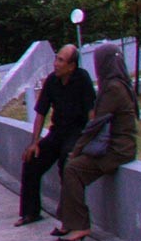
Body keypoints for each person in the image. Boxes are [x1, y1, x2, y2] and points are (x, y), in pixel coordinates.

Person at [52, 46, 140, 241]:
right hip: (116, 145)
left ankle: (80, 225)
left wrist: (78, 149)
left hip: (118, 150)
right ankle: (68, 221)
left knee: (73, 168)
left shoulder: (113, 89)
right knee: (70, 164)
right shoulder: (116, 84)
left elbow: (96, 124)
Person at [15, 44, 89, 227]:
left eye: (61, 60)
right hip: (58, 132)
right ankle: (30, 212)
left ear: (72, 66)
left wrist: (88, 140)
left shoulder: (82, 80)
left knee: (67, 161)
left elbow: (92, 114)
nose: (56, 63)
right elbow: (41, 113)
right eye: (56, 58)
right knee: (32, 160)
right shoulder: (52, 81)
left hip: (77, 132)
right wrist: (34, 142)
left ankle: (68, 214)